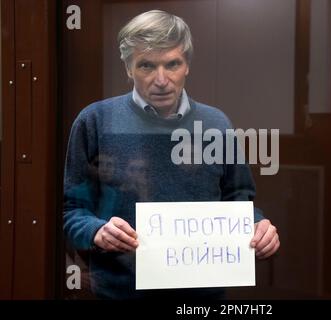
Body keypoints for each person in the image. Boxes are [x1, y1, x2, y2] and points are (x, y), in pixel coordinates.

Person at [63, 10, 280, 300]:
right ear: (128, 68)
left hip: (202, 298)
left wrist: (258, 226)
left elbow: (239, 200)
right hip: (119, 293)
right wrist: (95, 230)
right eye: (147, 66)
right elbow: (71, 211)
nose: (161, 79)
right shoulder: (95, 121)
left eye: (172, 64)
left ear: (187, 65)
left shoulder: (216, 124)